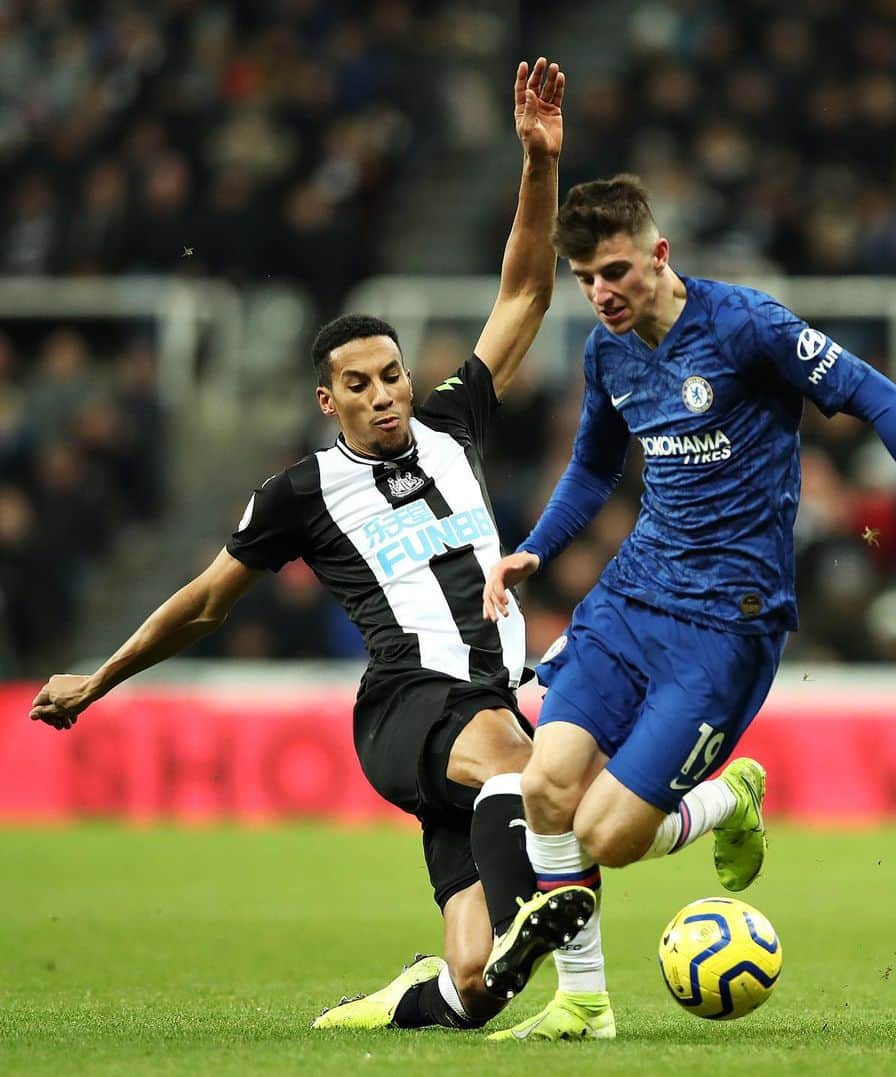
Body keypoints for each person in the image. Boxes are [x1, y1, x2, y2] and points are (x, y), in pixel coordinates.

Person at [28, 57, 598, 1035]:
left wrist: (540, 163)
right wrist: (101, 676)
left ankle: (406, 1000)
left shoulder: (455, 423)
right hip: (412, 708)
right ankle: (550, 911)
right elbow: (206, 601)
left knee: (474, 985)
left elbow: (528, 291)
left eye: (391, 376)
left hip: (484, 706)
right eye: (359, 385)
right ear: (327, 401)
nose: (384, 395)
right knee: (531, 773)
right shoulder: (300, 493)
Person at [482, 174, 896, 1039]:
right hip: (631, 599)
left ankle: (729, 797)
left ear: (659, 255)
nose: (601, 293)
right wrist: (537, 546)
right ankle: (583, 1002)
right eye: (585, 278)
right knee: (544, 788)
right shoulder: (607, 351)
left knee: (607, 835)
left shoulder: (748, 327)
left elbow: (884, 398)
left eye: (615, 270)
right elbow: (593, 466)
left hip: (727, 627)